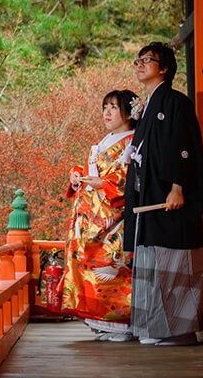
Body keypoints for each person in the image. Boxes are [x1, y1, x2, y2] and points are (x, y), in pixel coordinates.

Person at [124, 41, 203, 346]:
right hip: (150, 202)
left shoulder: (175, 102)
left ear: (165, 68)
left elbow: (182, 147)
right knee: (154, 266)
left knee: (176, 264)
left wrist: (178, 186)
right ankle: (157, 328)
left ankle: (181, 331)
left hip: (170, 199)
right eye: (138, 60)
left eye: (148, 60)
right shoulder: (148, 106)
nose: (140, 64)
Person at [60, 89, 138, 341]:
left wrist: (102, 184)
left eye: (114, 107)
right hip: (88, 218)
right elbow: (86, 170)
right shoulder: (101, 143)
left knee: (113, 266)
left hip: (113, 217)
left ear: (129, 111)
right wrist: (76, 176)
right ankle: (101, 322)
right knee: (88, 269)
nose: (107, 112)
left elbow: (133, 178)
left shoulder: (134, 141)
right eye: (105, 106)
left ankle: (122, 323)